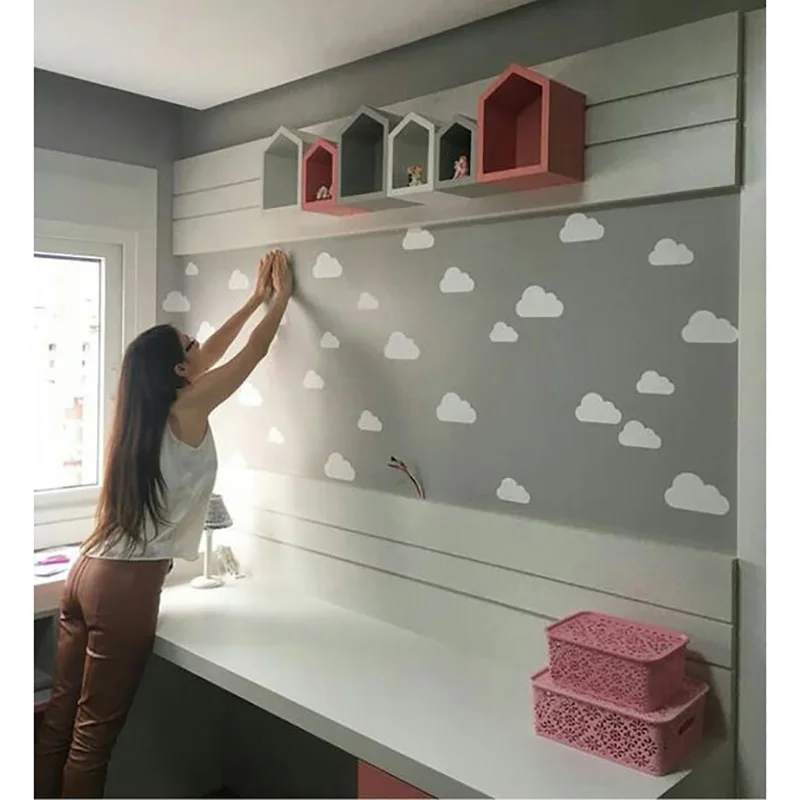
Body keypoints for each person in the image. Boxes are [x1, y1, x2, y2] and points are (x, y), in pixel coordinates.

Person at [34, 249, 294, 798]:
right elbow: (252, 352)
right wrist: (282, 300)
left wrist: (255, 298)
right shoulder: (188, 407)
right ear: (178, 370)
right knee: (93, 739)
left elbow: (214, 351)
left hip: (86, 571)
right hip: (125, 585)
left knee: (60, 722)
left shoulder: (140, 412)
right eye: (191, 346)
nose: (202, 346)